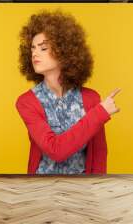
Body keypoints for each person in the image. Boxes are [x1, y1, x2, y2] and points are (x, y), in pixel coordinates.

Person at [16, 10, 121, 174]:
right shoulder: (26, 102)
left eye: (43, 48)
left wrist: (98, 186)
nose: (35, 53)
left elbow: (100, 152)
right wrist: (100, 113)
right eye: (32, 49)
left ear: (64, 51)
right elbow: (56, 151)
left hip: (81, 187)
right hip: (41, 187)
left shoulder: (91, 98)